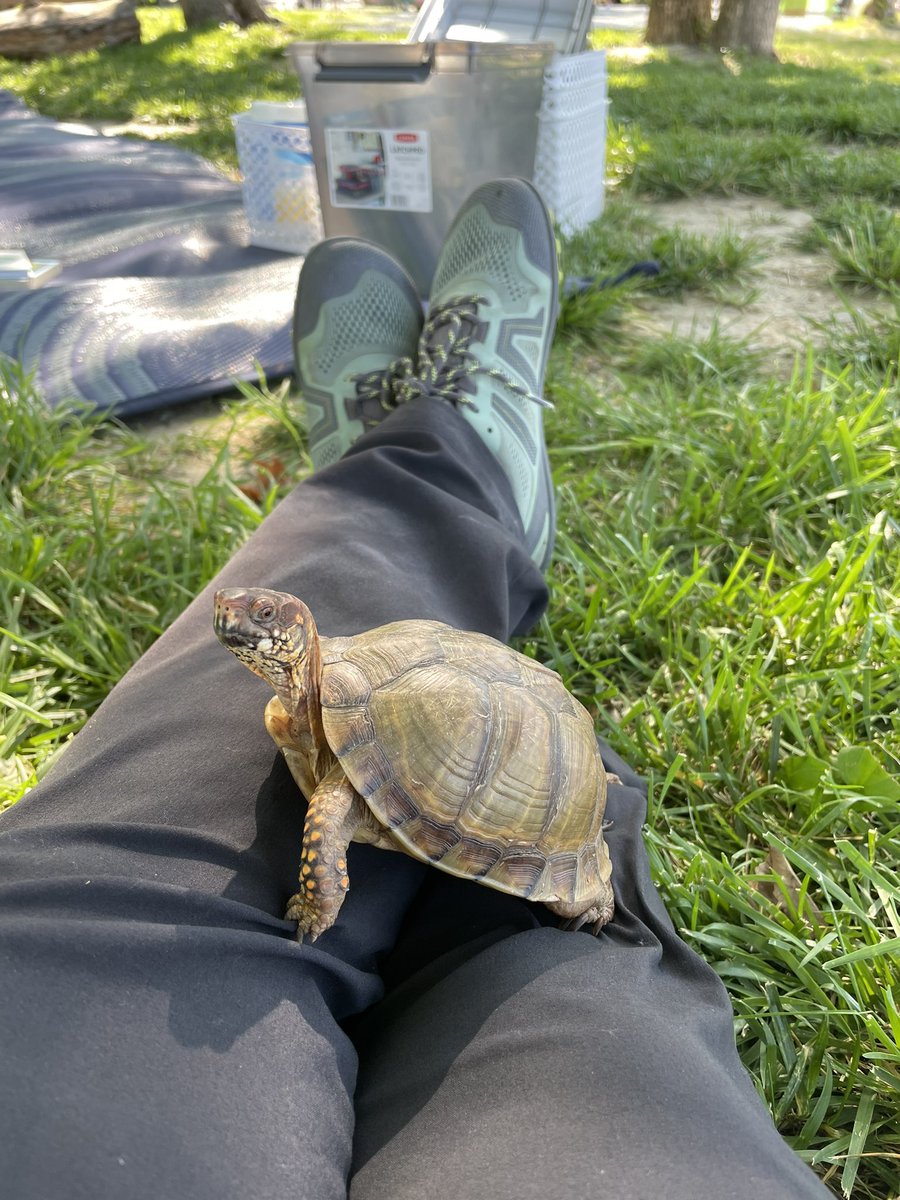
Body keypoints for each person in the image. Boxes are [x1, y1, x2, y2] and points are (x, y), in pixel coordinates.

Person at [0, 179, 832, 1199]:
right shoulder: (313, 681)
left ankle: (413, 464)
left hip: (523, 811)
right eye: (249, 620)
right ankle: (447, 456)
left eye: (266, 620)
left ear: (292, 638)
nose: (243, 624)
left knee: (70, 906)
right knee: (568, 1004)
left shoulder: (319, 706)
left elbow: (337, 810)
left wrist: (317, 889)